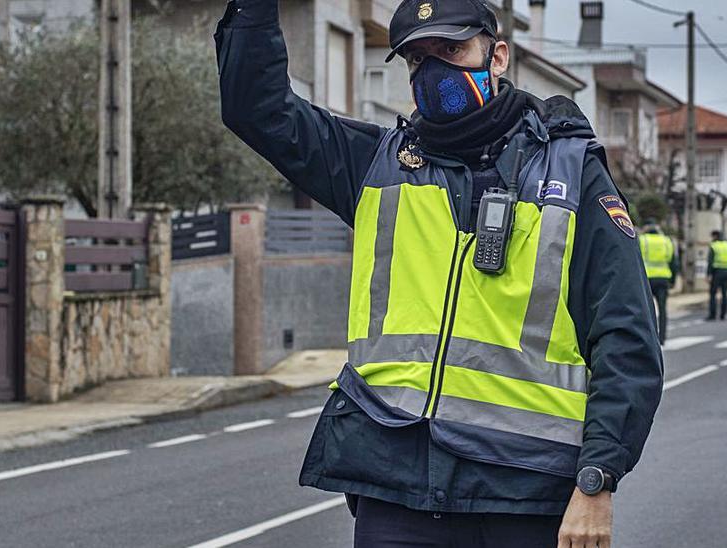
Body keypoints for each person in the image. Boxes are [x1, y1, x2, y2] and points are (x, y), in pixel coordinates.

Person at [215, 1, 664, 546]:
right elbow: (257, 109)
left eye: (451, 51)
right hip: (399, 492)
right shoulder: (377, 165)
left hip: (523, 496)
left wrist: (597, 481)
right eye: (418, 60)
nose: (434, 73)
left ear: (496, 56)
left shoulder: (571, 175)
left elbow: (625, 338)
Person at [638, 221, 678, 344]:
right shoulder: (666, 241)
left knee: (645, 310)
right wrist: (673, 280)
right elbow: (674, 263)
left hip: (646, 280)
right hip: (663, 279)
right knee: (662, 309)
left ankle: (648, 339)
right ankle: (662, 338)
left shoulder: (642, 240)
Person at [707, 230, 727, 321]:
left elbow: (710, 261)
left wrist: (709, 274)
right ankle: (723, 314)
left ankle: (713, 314)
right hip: (726, 272)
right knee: (724, 294)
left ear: (715, 236)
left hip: (716, 272)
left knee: (713, 293)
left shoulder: (714, 246)